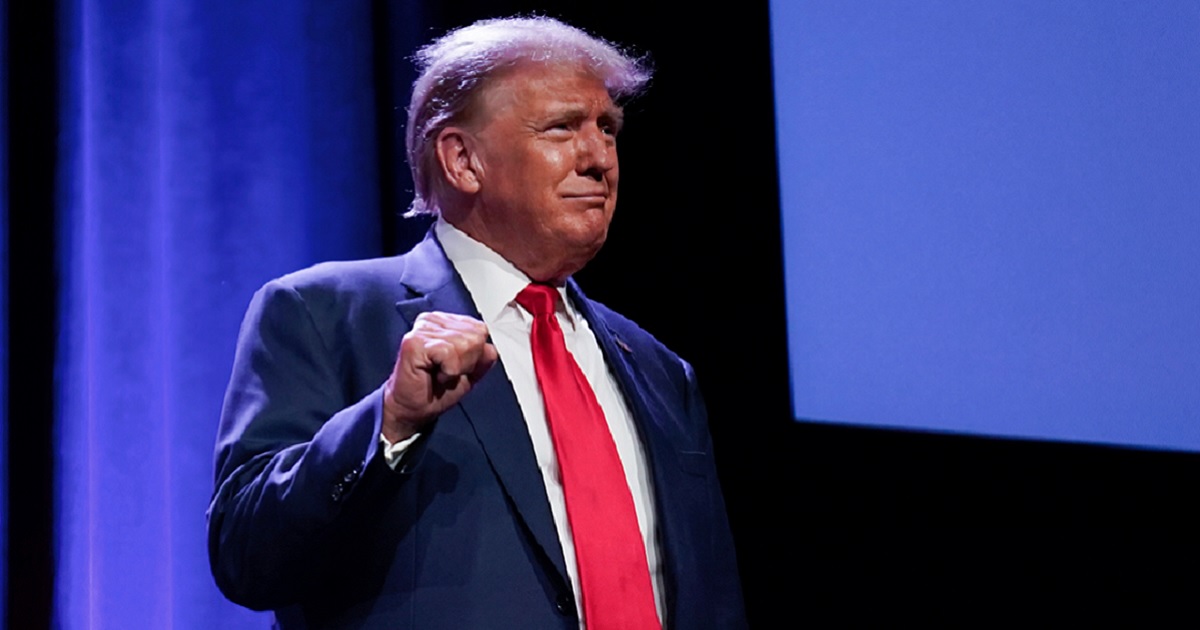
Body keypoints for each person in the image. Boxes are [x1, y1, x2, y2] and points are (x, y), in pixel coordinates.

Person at [208, 16, 746, 629]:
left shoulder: (659, 369)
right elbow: (245, 553)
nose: (599, 158)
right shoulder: (322, 313)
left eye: (607, 129)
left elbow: (713, 599)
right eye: (562, 128)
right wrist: (390, 422)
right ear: (463, 160)